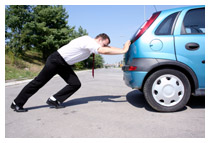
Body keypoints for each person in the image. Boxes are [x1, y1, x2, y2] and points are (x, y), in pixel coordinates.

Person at [11, 33, 131, 112]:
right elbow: (104, 51)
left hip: (63, 64)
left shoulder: (91, 44)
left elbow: (107, 49)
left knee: (75, 83)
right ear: (100, 39)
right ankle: (16, 103)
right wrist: (123, 50)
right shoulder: (88, 41)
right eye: (105, 43)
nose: (106, 46)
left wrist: (123, 49)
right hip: (56, 60)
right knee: (39, 82)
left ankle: (54, 99)